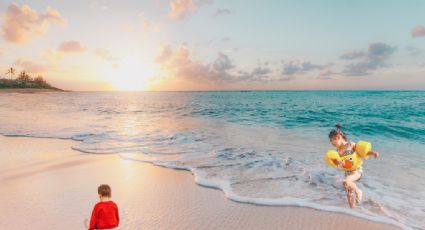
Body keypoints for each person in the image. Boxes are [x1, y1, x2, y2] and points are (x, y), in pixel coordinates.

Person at [328, 124, 379, 208]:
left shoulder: (350, 145)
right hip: (347, 172)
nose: (331, 143)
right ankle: (352, 209)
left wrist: (373, 153)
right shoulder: (337, 151)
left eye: (332, 140)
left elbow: (362, 152)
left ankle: (358, 191)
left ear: (338, 137)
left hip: (357, 170)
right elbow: (337, 162)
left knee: (345, 181)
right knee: (348, 192)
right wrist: (338, 162)